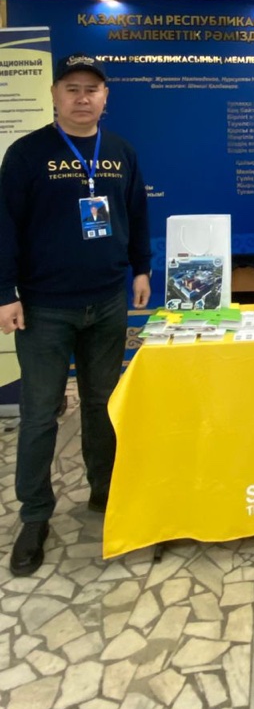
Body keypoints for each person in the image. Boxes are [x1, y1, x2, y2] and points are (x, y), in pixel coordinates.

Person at [0, 54, 151, 577]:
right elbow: (5, 226)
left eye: (92, 89)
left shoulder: (120, 151)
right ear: (54, 95)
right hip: (44, 306)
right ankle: (35, 516)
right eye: (72, 88)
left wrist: (141, 269)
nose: (82, 98)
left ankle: (104, 491)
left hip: (107, 300)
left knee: (102, 403)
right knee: (41, 412)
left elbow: (137, 214)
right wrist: (5, 292)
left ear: (105, 97)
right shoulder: (26, 154)